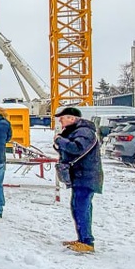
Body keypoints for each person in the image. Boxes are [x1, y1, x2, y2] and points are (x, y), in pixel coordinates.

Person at [53, 106, 103, 253]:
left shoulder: (84, 132)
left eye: (62, 118)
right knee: (78, 206)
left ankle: (87, 241)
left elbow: (76, 148)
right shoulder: (77, 131)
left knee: (81, 207)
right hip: (81, 175)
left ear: (72, 118)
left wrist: (60, 140)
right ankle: (82, 238)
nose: (60, 121)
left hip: (86, 176)